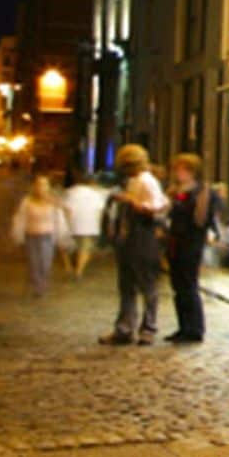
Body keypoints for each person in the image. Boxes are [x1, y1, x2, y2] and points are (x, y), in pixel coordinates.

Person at [99, 144, 166, 346]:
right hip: (128, 238)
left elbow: (157, 207)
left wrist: (129, 201)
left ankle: (148, 328)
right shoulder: (133, 181)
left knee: (147, 284)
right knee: (127, 284)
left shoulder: (147, 181)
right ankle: (125, 328)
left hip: (143, 236)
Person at [163, 154, 211, 343]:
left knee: (189, 285)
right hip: (175, 241)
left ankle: (195, 328)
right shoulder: (174, 191)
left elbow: (201, 218)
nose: (179, 173)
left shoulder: (201, 192)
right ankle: (182, 326)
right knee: (178, 286)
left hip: (191, 243)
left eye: (183, 169)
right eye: (177, 169)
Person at [10, 175, 66, 298]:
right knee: (33, 263)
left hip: (47, 236)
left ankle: (43, 284)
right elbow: (20, 218)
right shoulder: (27, 201)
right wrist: (17, 234)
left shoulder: (53, 202)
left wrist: (60, 235)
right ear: (34, 186)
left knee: (45, 263)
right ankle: (37, 287)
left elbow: (60, 220)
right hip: (31, 235)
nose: (41, 187)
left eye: (44, 184)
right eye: (39, 184)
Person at [59, 170, 109, 281]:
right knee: (85, 248)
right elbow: (100, 212)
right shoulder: (96, 195)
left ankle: (68, 268)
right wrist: (99, 226)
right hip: (89, 225)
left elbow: (64, 208)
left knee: (66, 248)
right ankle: (79, 270)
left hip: (71, 224)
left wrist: (65, 224)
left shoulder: (69, 192)